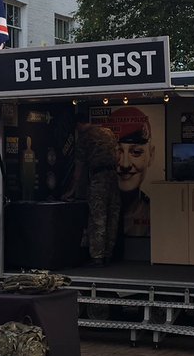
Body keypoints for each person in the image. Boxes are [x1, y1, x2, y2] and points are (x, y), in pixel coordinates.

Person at [63, 110, 120, 265]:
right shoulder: (108, 132)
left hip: (98, 179)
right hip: (114, 178)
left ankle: (97, 257)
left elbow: (78, 170)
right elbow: (117, 156)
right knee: (112, 215)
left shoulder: (84, 138)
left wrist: (71, 191)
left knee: (98, 217)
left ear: (78, 125)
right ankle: (109, 253)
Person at [108, 106, 154, 238]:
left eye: (136, 152)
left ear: (151, 155)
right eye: (117, 152)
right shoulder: (103, 207)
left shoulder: (155, 212)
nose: (125, 164)